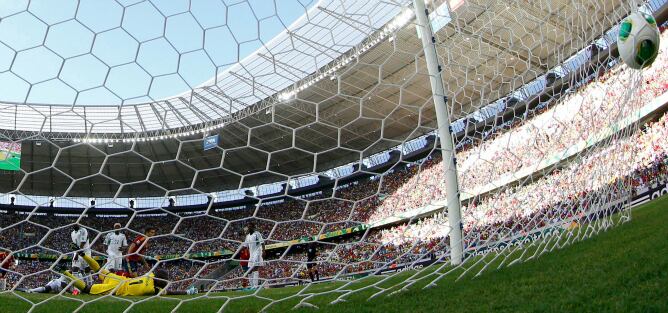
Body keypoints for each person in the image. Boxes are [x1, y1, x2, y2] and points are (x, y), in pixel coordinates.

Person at [63, 252, 196, 296]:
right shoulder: (151, 290)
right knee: (86, 289)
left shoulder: (149, 275)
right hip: (117, 288)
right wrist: (187, 292)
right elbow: (171, 293)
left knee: (99, 270)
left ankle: (83, 255)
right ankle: (66, 273)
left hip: (117, 279)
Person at [243, 223, 264, 289]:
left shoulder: (257, 233)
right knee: (249, 271)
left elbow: (262, 242)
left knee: (255, 268)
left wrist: (264, 251)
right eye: (248, 227)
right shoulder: (247, 236)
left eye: (249, 227)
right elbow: (245, 246)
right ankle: (252, 286)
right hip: (251, 254)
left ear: (253, 227)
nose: (248, 228)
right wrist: (237, 251)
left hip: (257, 252)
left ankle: (255, 286)